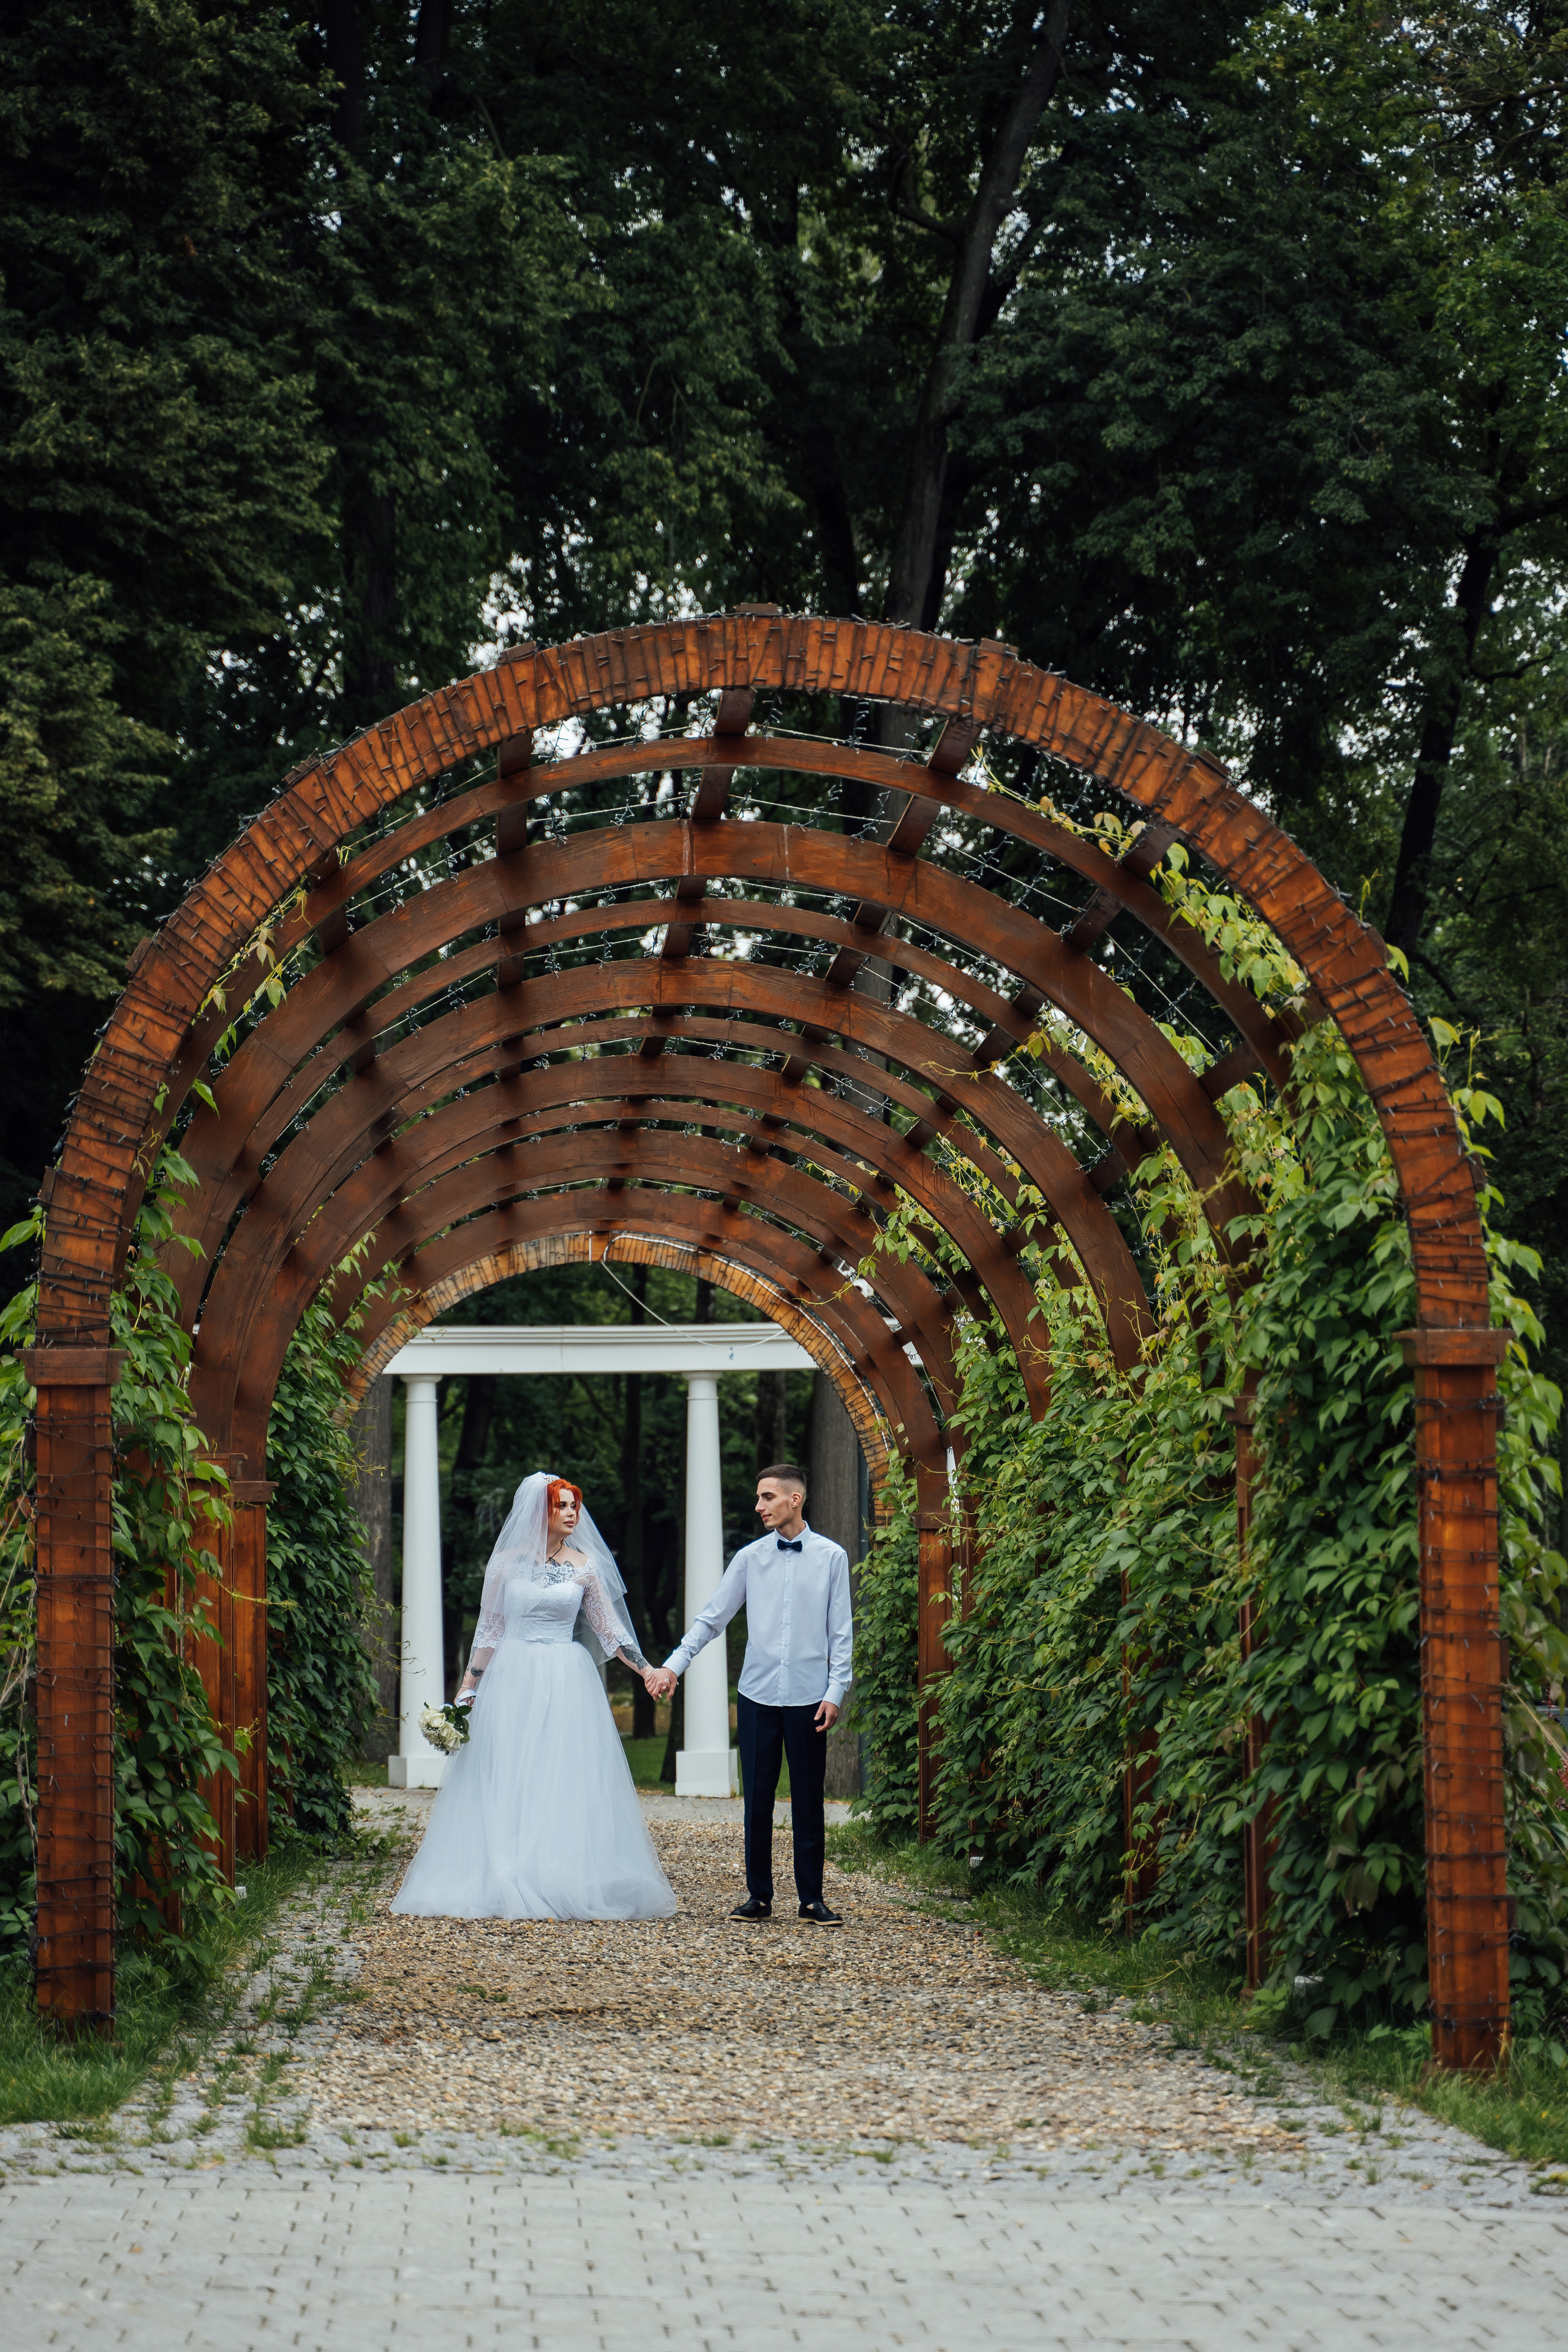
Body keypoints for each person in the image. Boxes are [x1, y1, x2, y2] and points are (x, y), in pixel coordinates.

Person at [391, 1472, 676, 1920]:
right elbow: (490, 1631)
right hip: (513, 1674)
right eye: (561, 1505)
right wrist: (467, 1691)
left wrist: (647, 1669)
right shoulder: (504, 1564)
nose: (571, 1513)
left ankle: (558, 1873)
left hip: (566, 1676)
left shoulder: (584, 1565)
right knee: (510, 1769)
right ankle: (506, 1871)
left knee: (560, 1772)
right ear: (539, 1511)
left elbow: (610, 1630)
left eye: (573, 1506)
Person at [647, 1463, 852, 1925]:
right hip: (757, 1697)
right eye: (759, 1498)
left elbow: (841, 1633)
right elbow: (711, 1619)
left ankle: (812, 1898)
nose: (759, 1506)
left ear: (794, 1500)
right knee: (757, 1801)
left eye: (767, 1497)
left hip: (808, 1698)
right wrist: (674, 1665)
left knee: (808, 1799)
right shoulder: (748, 1558)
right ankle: (759, 1896)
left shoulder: (832, 1558)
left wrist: (836, 1691)